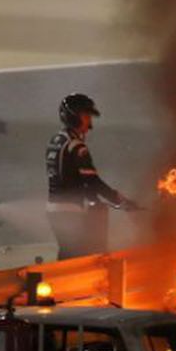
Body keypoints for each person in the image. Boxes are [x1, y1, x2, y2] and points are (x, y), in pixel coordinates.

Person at [46, 93, 139, 258]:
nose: (89, 122)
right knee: (80, 259)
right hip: (70, 212)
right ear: (75, 116)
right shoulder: (76, 146)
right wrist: (117, 198)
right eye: (87, 116)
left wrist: (95, 199)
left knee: (67, 256)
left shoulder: (56, 140)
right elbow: (92, 181)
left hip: (55, 211)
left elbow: (75, 179)